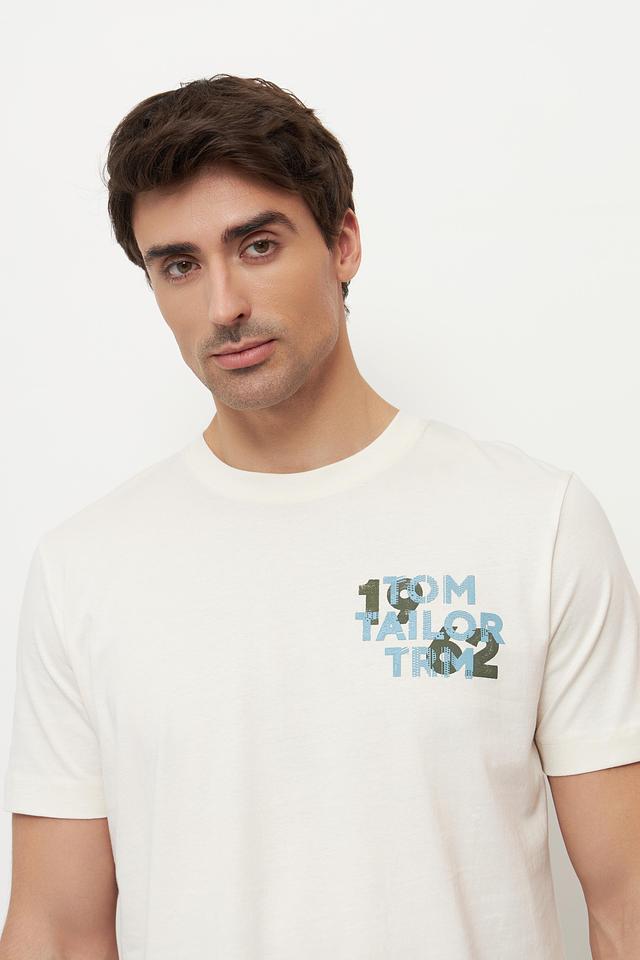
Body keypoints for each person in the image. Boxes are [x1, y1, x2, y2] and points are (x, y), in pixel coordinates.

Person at [1, 74, 639, 960]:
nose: (223, 306)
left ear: (343, 244)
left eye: (258, 245)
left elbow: (626, 905)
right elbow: (58, 931)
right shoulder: (85, 569)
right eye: (179, 265)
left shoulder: (537, 525)